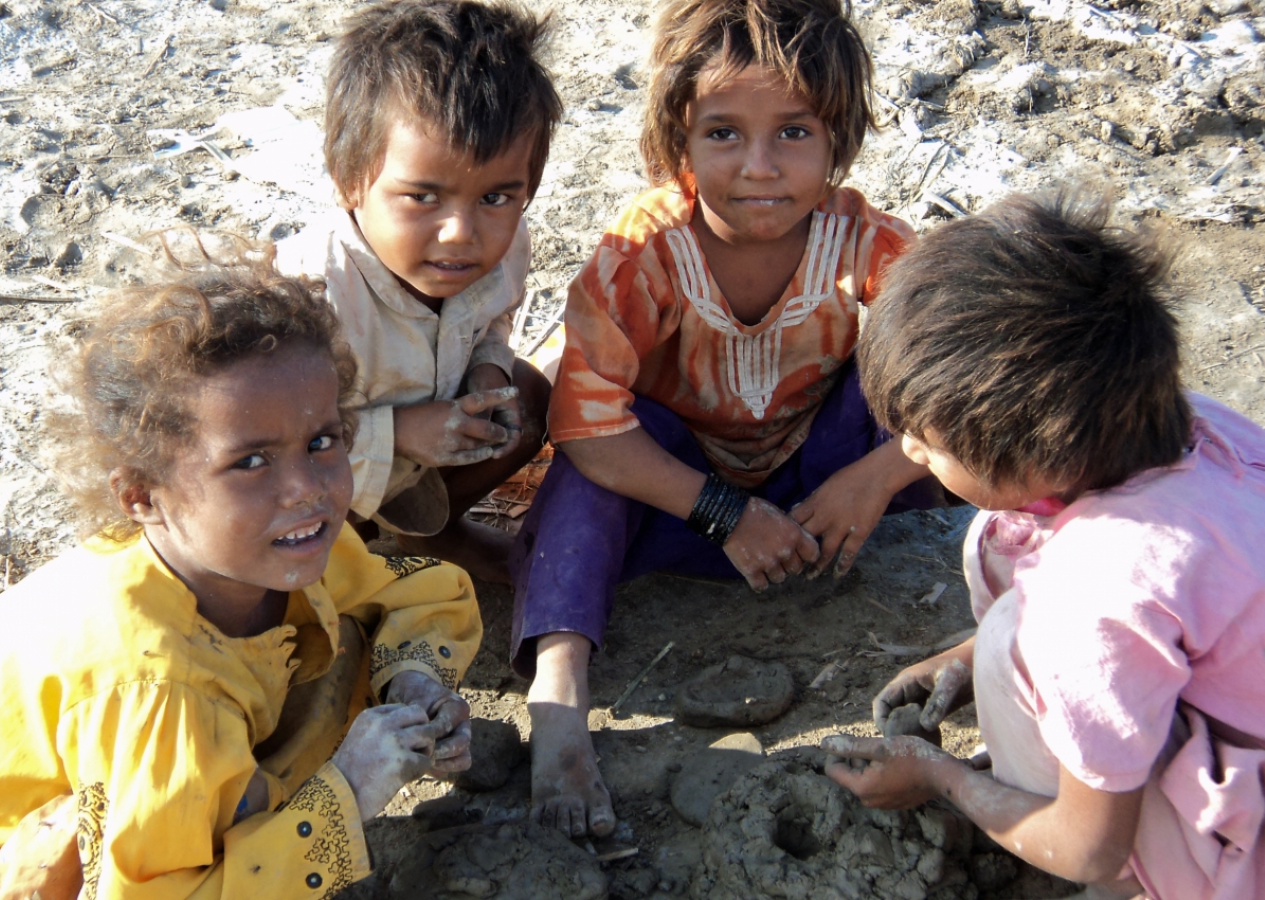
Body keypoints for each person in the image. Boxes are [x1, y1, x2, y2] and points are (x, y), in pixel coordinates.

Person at [511, 0, 943, 839]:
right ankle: (559, 695)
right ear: (679, 139)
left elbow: (979, 373)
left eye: (793, 132)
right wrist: (725, 513)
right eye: (722, 134)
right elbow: (590, 423)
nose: (758, 166)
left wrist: (876, 475)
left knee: (931, 376)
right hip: (678, 499)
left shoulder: (867, 245)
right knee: (590, 450)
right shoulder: (644, 255)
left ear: (839, 138)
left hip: (821, 497)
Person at [0, 244, 483, 900]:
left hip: (179, 762)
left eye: (322, 442)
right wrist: (348, 794)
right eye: (252, 462)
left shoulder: (266, 551)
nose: (305, 489)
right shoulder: (156, 692)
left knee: (346, 638)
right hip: (40, 855)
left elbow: (416, 588)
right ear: (142, 497)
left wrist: (413, 684)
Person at [823, 188, 1265, 900]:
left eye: (925, 441)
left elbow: (1088, 848)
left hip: (1239, 854)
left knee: (1011, 639)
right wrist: (957, 658)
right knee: (996, 557)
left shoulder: (1090, 590)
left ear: (1043, 464)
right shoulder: (1199, 428)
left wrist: (945, 777)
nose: (906, 448)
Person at [275, 0, 562, 584]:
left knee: (527, 400)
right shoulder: (309, 297)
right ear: (348, 180)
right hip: (324, 477)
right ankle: (341, 567)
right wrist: (399, 433)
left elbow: (496, 320)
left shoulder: (505, 246)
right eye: (423, 198)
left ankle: (433, 531)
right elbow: (275, 445)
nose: (461, 233)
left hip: (425, 460)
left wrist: (489, 372)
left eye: (496, 198)